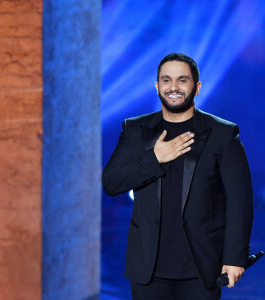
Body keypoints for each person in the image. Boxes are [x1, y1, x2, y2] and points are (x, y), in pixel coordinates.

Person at [102, 53, 253, 300]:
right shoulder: (135, 130)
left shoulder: (223, 134)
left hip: (200, 269)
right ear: (157, 87)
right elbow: (111, 182)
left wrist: (235, 259)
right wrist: (154, 158)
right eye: (166, 80)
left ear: (197, 87)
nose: (173, 87)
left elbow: (240, 202)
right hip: (148, 270)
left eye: (182, 80)